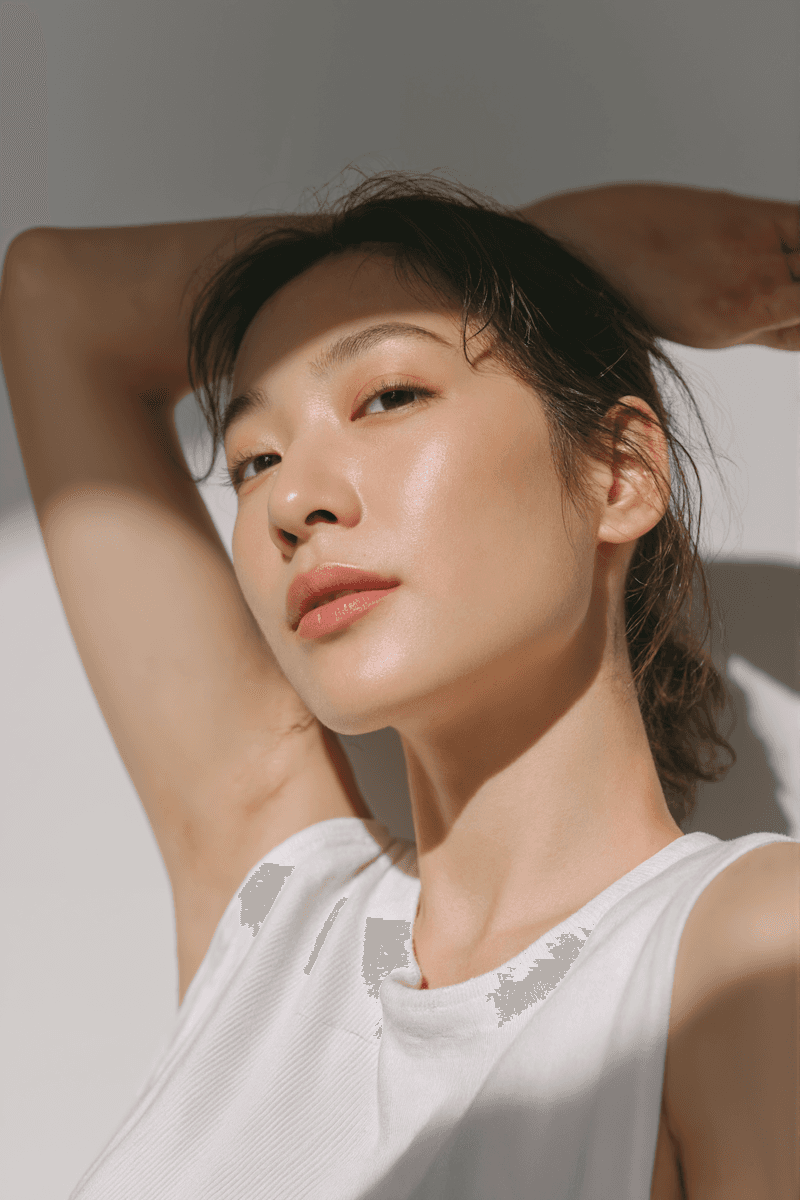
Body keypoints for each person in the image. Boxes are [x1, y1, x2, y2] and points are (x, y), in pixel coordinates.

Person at [0, 172, 797, 1200]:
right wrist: (545, 248)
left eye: (388, 395)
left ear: (617, 472)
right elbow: (53, 297)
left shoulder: (743, 949)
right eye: (251, 459)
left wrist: (515, 265)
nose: (290, 497)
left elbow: (54, 299)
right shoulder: (276, 924)